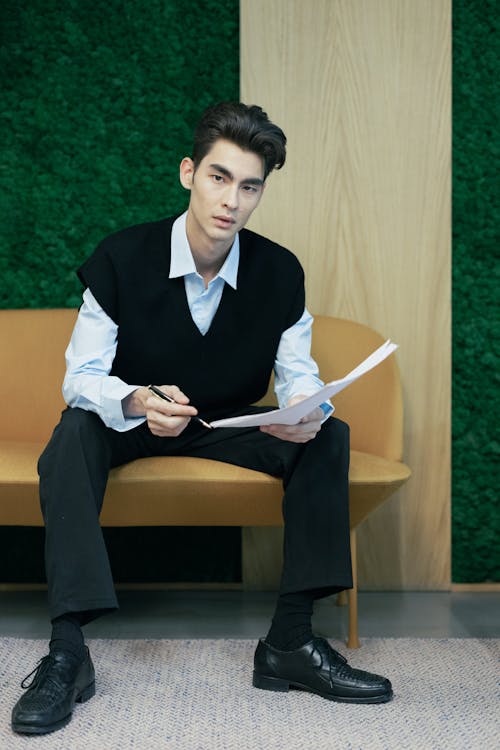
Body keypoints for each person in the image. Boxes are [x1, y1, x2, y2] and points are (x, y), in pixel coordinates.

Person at [11, 102, 392, 736]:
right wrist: (135, 401)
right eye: (219, 177)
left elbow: (298, 373)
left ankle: (290, 643)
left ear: (260, 192)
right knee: (71, 433)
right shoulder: (120, 259)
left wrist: (308, 411)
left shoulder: (279, 271)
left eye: (249, 186)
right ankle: (67, 654)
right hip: (131, 419)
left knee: (329, 434)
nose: (232, 200)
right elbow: (79, 381)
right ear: (189, 172)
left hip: (228, 426)